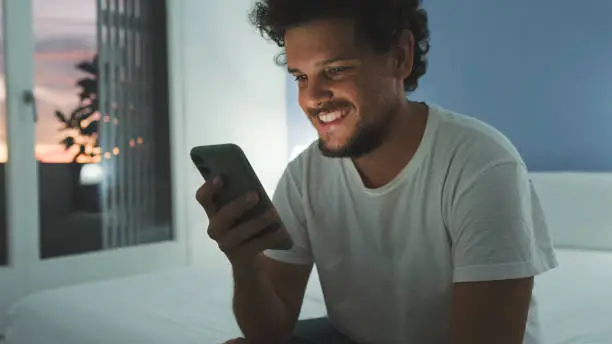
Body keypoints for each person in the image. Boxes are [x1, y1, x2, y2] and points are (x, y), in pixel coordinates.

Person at [196, 0, 559, 343]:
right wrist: (245, 264)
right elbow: (270, 333)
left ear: (400, 57)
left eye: (336, 70)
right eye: (300, 78)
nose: (312, 98)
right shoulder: (304, 175)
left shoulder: (481, 166)